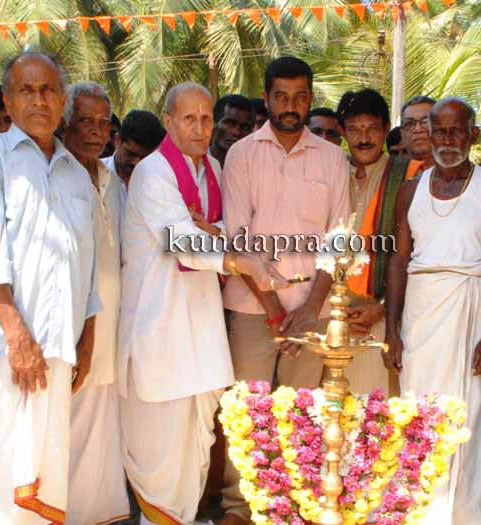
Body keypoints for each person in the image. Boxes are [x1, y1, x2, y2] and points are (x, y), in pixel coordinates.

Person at [120, 81, 287, 525]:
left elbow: (223, 227)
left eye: (206, 118)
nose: (199, 128)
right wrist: (239, 261)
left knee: (195, 448)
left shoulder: (211, 167)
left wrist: (215, 234)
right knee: (160, 451)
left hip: (200, 332)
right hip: (160, 331)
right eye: (188, 119)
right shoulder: (153, 173)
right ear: (169, 120)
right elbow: (181, 240)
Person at [0, 51, 100, 524]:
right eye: (28, 90)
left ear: (63, 100)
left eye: (49, 90)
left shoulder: (76, 172)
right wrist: (17, 336)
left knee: (51, 465)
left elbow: (88, 264)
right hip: (10, 348)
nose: (39, 100)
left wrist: (88, 340)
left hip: (61, 347)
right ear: (8, 100)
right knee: (9, 462)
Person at [219, 56, 350, 525]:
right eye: (281, 96)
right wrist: (275, 311)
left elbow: (339, 242)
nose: (290, 106)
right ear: (267, 98)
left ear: (310, 99)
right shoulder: (242, 155)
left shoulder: (332, 159)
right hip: (254, 309)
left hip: (311, 314)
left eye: (298, 97)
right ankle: (239, 507)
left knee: (300, 414)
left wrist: (310, 309)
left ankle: (292, 508)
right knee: (248, 411)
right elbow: (238, 241)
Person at [385, 97, 481, 523]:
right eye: (438, 131)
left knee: (469, 422)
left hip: (472, 316)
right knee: (417, 416)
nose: (446, 140)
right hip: (420, 320)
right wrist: (391, 330)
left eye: (455, 131)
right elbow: (399, 259)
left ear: (473, 135)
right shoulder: (410, 191)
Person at [60, 82, 131, 524]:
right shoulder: (56, 174)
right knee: (69, 427)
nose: (95, 131)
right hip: (73, 326)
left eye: (103, 122)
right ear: (65, 123)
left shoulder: (111, 179)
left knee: (103, 427)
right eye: (85, 120)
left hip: (112, 326)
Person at [334, 88, 417, 394]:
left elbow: (415, 253)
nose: (363, 138)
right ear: (342, 131)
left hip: (383, 312)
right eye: (354, 129)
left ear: (386, 129)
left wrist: (381, 307)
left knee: (374, 407)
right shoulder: (331, 174)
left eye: (372, 129)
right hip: (331, 312)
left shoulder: (407, 177)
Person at [103, 109, 165, 186]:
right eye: (131, 154)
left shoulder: (158, 183)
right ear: (117, 140)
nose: (136, 163)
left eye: (144, 158)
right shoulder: (93, 173)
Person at [210, 94, 255, 166]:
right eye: (230, 123)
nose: (237, 132)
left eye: (245, 127)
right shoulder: (194, 164)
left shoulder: (255, 167)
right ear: (213, 123)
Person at [400, 96, 436, 174]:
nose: (418, 129)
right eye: (409, 123)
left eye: (426, 122)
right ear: (401, 134)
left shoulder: (460, 174)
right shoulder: (388, 175)